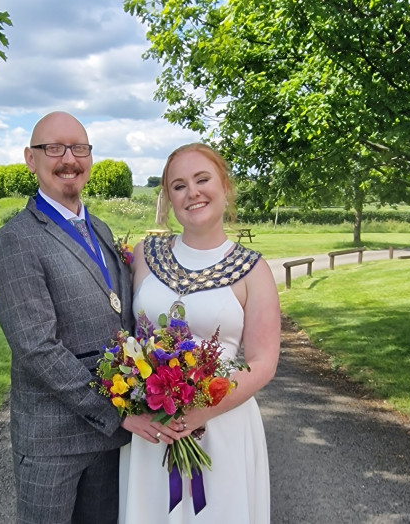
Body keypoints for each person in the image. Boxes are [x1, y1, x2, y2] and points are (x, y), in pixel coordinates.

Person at [118, 143, 281, 523]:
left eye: (202, 179)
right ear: (169, 200)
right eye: (178, 185)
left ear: (224, 186)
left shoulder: (253, 271)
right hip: (152, 429)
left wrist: (198, 411)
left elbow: (263, 362)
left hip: (221, 426)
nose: (192, 192)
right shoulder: (144, 255)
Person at [0, 111, 134, 524]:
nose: (69, 158)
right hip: (53, 441)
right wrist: (116, 412)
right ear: (31, 159)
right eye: (54, 148)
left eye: (79, 148)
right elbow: (37, 347)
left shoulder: (101, 229)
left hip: (110, 441)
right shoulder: (12, 242)